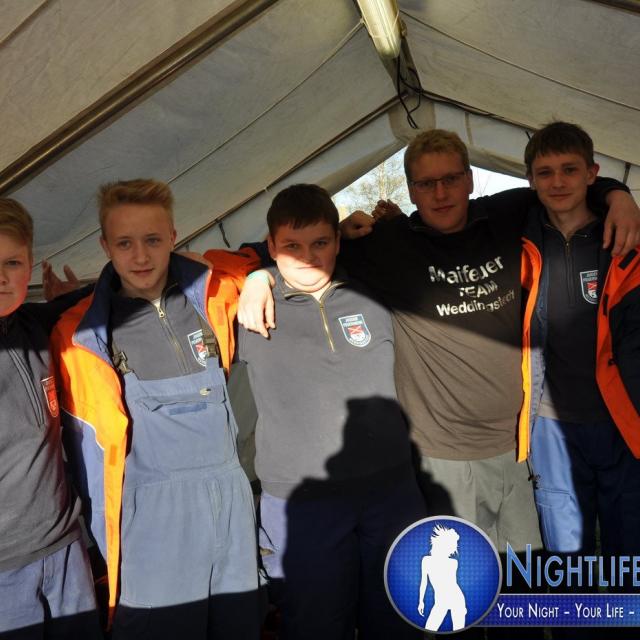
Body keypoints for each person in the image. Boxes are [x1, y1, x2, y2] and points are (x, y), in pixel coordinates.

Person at [239, 130, 639, 560]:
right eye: (426, 183)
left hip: (519, 446)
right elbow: (304, 248)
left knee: (528, 579)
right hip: (444, 456)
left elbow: (569, 185)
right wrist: (259, 274)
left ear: (469, 179)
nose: (441, 193)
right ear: (411, 190)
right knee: (465, 580)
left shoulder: (506, 214)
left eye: (450, 179)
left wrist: (619, 197)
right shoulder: (387, 244)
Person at [49, 179, 263, 639]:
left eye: (152, 240)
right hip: (151, 521)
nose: (140, 256)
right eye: (124, 243)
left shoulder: (213, 292)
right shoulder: (80, 334)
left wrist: (263, 276)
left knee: (240, 626)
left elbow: (269, 254)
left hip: (230, 506)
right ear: (105, 246)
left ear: (173, 236)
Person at [238, 184, 426, 639]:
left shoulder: (373, 290)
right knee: (316, 625)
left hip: (391, 492)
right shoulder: (243, 304)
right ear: (271, 246)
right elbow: (177, 267)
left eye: (320, 242)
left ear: (338, 241)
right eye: (292, 246)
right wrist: (257, 275)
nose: (308, 257)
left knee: (398, 619)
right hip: (301, 501)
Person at [522, 122, 640, 566]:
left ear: (592, 173)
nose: (558, 182)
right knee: (567, 558)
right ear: (531, 180)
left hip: (623, 422)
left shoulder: (627, 240)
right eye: (545, 172)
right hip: (552, 427)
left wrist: (620, 196)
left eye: (569, 169)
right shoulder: (520, 241)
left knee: (628, 553)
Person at [0, 198, 101, 639]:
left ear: (31, 266)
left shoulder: (34, 324)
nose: (1, 278)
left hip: (65, 549)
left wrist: (254, 274)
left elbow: (112, 288)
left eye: (12, 263)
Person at [417, 524, 466, 632]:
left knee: (458, 632)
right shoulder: (426, 560)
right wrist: (421, 601)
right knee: (429, 631)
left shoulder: (453, 563)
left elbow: (452, 584)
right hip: (440, 601)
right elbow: (423, 582)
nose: (453, 549)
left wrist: (462, 608)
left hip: (456, 599)